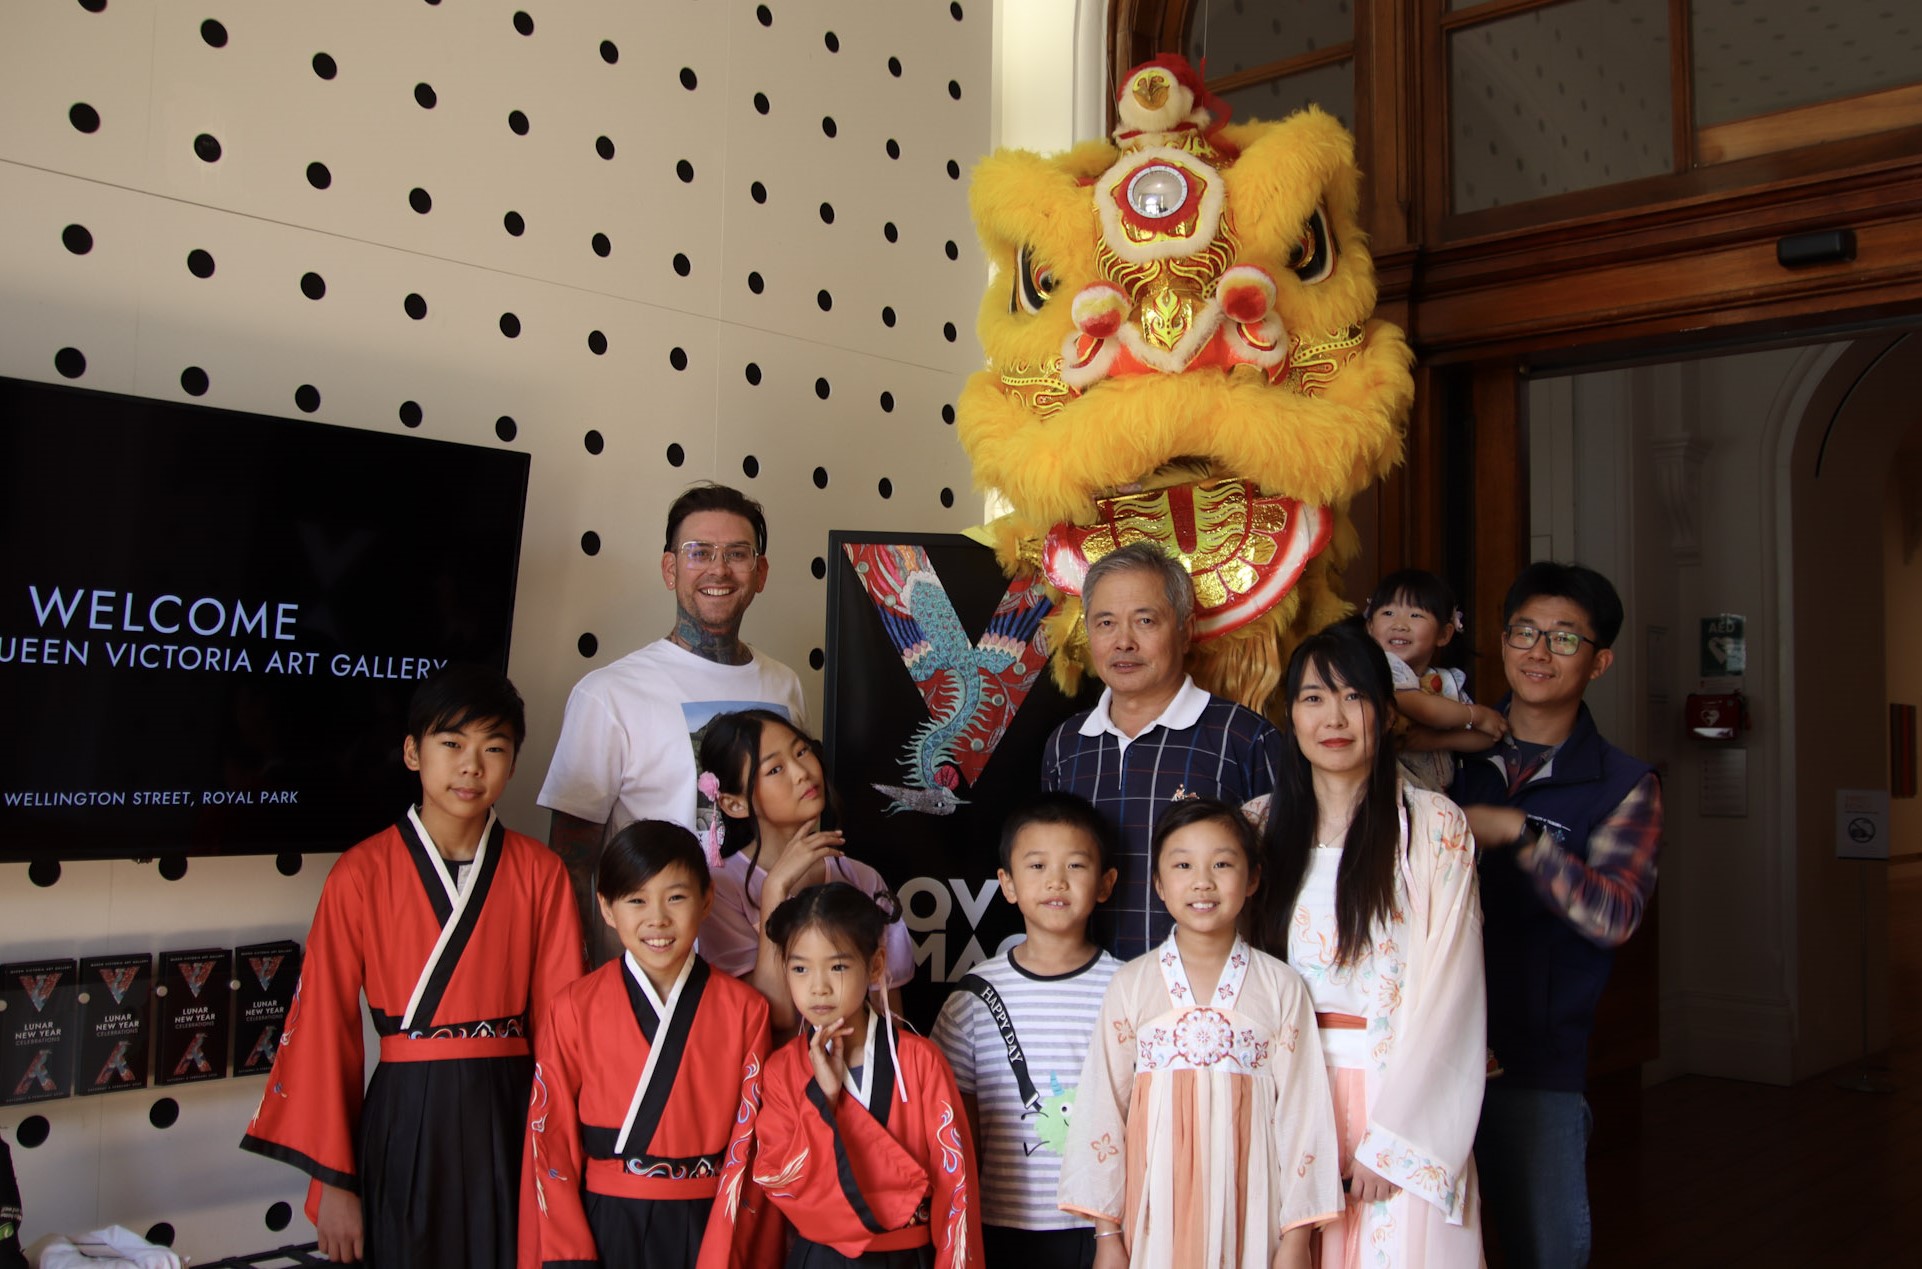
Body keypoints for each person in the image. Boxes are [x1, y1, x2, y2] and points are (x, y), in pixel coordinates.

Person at [240, 665, 584, 1269]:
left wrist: (561, 1160)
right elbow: (324, 1027)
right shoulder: (360, 872)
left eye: (493, 748)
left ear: (512, 761)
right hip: (404, 1114)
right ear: (412, 752)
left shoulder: (541, 872)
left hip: (508, 1114)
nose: (471, 765)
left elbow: (564, 1032)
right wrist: (336, 1183)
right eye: (452, 744)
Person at [1252, 622, 1486, 1267]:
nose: (1334, 717)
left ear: (1385, 713)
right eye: (1313, 698)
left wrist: (1396, 1140)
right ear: (1290, 717)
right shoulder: (1255, 828)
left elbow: (1454, 985)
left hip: (1396, 1091)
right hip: (1279, 1093)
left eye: (1353, 696)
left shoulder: (1433, 827)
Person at [1451, 562, 1661, 1269]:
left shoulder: (1624, 783)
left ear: (1599, 661)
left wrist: (1518, 834)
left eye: (1564, 639)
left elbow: (1612, 915)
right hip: (1423, 1045)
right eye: (1525, 631)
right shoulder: (1446, 754)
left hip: (1533, 1060)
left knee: (1547, 1251)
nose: (1538, 652)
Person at [1059, 798, 1342, 1269]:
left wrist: (1296, 1237)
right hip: (1156, 1209)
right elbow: (1102, 1104)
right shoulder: (1131, 985)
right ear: (1159, 884)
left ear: (1251, 878)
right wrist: (1107, 1233)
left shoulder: (1280, 987)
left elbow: (1303, 1108)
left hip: (1253, 1206)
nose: (1203, 881)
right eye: (1183, 864)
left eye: (1223, 863)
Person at [540, 483, 806, 965]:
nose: (718, 569)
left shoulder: (784, 685)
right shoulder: (608, 694)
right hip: (654, 984)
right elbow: (570, 864)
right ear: (670, 568)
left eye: (737, 553)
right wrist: (578, 987)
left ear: (760, 572)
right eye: (698, 552)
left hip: (778, 973)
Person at [523, 820, 776, 1269]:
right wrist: (567, 1252)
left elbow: (749, 1141)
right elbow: (551, 1139)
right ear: (606, 907)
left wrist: (724, 1247)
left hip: (706, 1222)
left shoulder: (745, 1010)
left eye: (675, 897)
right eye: (636, 900)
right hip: (605, 1222)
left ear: (706, 901)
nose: (657, 919)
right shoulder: (573, 1007)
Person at [1042, 542, 1283, 960]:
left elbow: (1283, 882)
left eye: (1145, 621)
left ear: (1186, 630)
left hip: (1201, 1003)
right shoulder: (1066, 744)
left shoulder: (1244, 739)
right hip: (1084, 999)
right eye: (1105, 623)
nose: (1123, 642)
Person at [930, 792, 1122, 1269]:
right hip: (1000, 1223)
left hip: (1103, 1224)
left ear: (1105, 883)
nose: (1056, 880)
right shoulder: (972, 997)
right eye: (1036, 866)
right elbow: (956, 1125)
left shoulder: (1129, 988)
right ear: (1008, 884)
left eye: (1076, 866)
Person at [752, 883, 984, 1268]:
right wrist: (821, 1100)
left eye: (838, 966)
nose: (818, 987)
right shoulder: (783, 1068)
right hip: (820, 1257)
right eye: (800, 968)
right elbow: (780, 1180)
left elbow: (955, 1186)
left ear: (875, 965)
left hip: (908, 1255)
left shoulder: (920, 1060)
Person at [697, 710, 913, 1036]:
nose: (801, 772)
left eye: (801, 751)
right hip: (770, 1082)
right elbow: (775, 1018)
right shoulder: (721, 890)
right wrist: (775, 890)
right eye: (775, 769)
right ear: (733, 804)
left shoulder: (864, 879)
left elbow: (891, 1022)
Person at [1363, 569, 1508, 791]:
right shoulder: (1381, 670)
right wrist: (1476, 714)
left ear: (1444, 635)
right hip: (1393, 799)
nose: (1400, 624)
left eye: (1415, 615)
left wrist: (1434, 740)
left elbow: (1489, 736)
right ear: (1370, 627)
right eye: (1388, 613)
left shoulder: (1445, 682)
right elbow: (1423, 707)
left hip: (1437, 805)